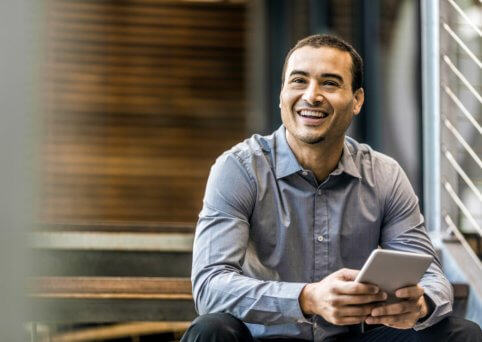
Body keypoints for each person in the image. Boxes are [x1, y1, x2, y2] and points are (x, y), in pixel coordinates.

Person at [180, 34, 481, 341]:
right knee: (211, 330)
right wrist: (307, 298)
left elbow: (429, 274)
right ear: (281, 94)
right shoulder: (240, 169)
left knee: (461, 334)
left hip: (350, 337)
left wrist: (419, 303)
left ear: (357, 100)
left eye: (330, 83)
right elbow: (210, 286)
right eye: (298, 81)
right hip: (263, 338)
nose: (312, 95)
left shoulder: (383, 174)